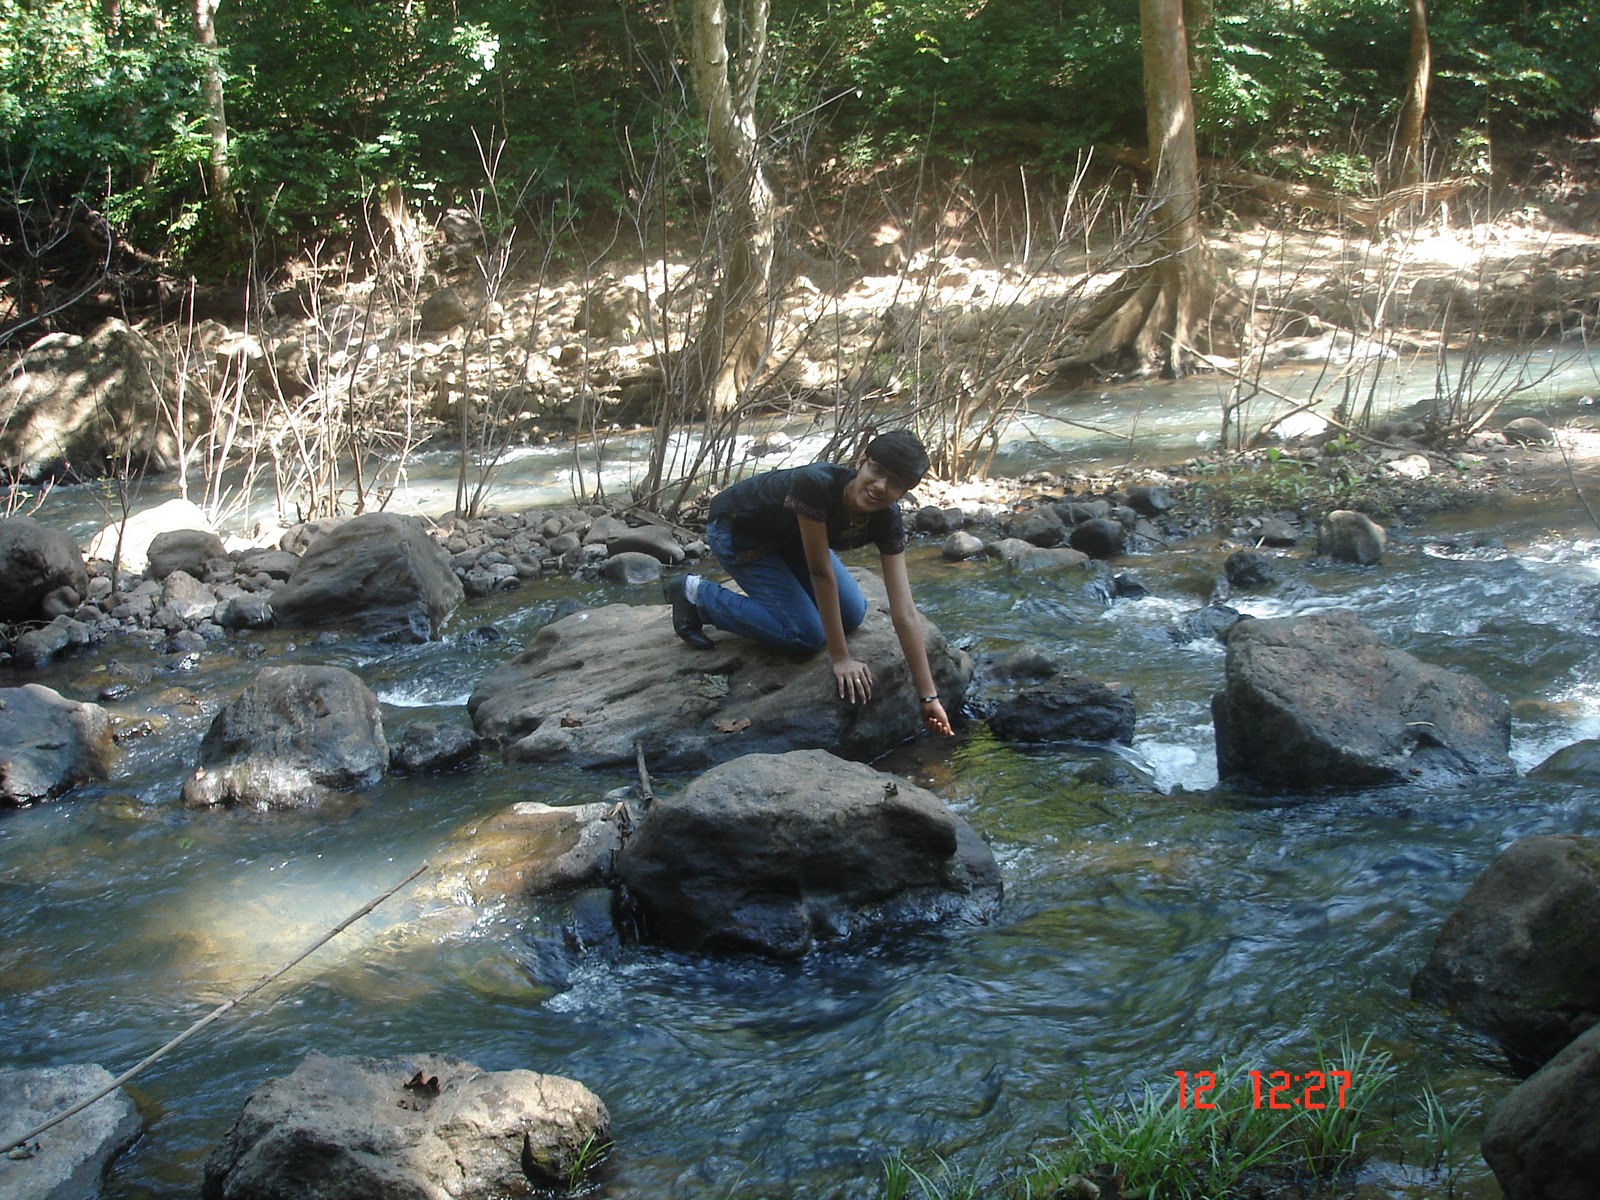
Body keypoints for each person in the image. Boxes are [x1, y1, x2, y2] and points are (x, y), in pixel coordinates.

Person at [664, 429, 954, 737]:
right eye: (877, 470)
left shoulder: (888, 518)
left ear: (904, 491)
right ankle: (695, 593)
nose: (880, 486)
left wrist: (928, 697)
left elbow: (905, 611)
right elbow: (820, 573)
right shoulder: (815, 485)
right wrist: (841, 658)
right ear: (862, 461)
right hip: (739, 530)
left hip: (792, 537)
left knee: (853, 614)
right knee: (806, 635)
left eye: (894, 483)